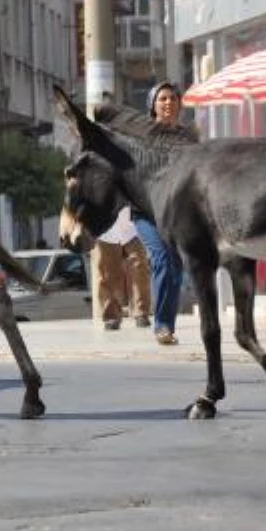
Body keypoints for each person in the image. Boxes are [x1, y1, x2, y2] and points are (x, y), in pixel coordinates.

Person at [134, 81, 187, 346]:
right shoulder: (143, 139)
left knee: (176, 268)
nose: (168, 103)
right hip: (147, 213)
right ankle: (162, 325)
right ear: (153, 106)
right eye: (162, 99)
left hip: (177, 213)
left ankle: (168, 325)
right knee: (163, 260)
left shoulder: (189, 138)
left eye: (172, 99)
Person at [95, 205, 151, 331]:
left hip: (132, 229)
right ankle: (111, 316)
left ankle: (141, 313)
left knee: (140, 267)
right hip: (106, 230)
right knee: (107, 273)